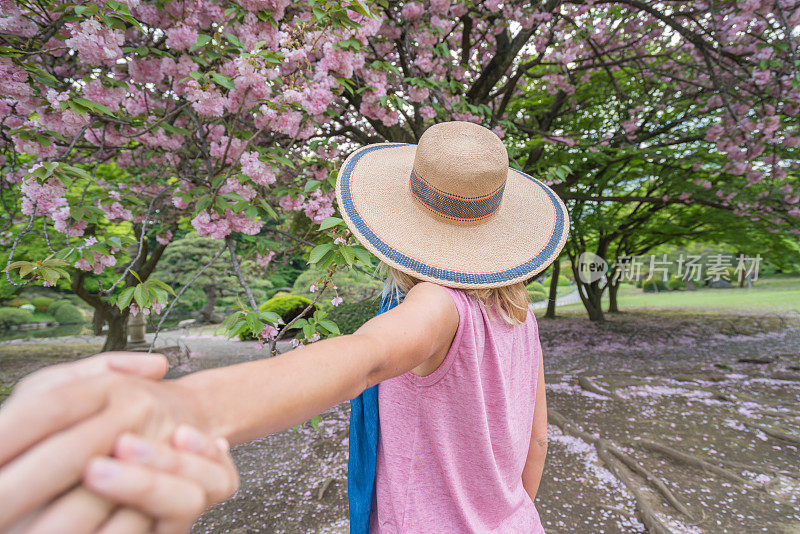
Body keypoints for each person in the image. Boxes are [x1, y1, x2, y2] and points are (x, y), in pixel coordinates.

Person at [0, 121, 569, 532]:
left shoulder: (438, 306)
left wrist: (186, 411)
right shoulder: (517, 318)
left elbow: (365, 356)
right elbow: (536, 438)